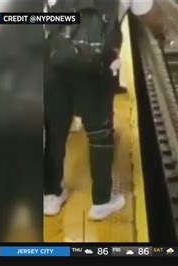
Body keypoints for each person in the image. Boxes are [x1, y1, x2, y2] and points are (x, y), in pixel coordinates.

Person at [43, 0, 164, 220]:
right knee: (100, 133)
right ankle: (101, 202)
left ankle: (50, 196)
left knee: (55, 129)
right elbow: (152, 16)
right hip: (97, 65)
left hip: (56, 61)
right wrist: (161, 32)